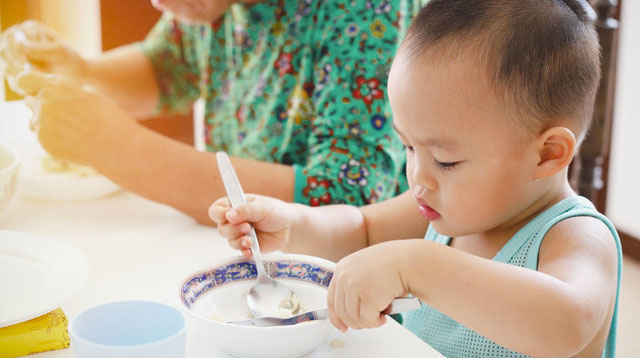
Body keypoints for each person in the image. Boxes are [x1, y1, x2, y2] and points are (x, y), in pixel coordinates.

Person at [209, 0, 623, 357]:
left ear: (547, 154)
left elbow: (568, 320)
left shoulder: (574, 235)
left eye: (445, 160)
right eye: (408, 147)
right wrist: (294, 224)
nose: (418, 176)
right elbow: (364, 229)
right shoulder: (441, 207)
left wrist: (418, 265)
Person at [0, 0, 426, 223]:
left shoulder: (368, 9)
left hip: (337, 288)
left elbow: (343, 200)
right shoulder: (215, 6)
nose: (158, 3)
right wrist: (81, 68)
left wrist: (118, 149)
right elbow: (167, 68)